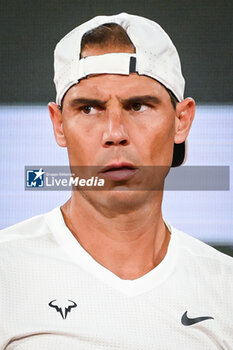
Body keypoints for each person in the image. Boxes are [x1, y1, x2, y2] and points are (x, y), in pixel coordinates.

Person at [0, 12, 232, 349]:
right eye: (89, 109)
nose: (114, 134)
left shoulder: (225, 289)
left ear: (182, 121)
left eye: (138, 105)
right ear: (59, 124)